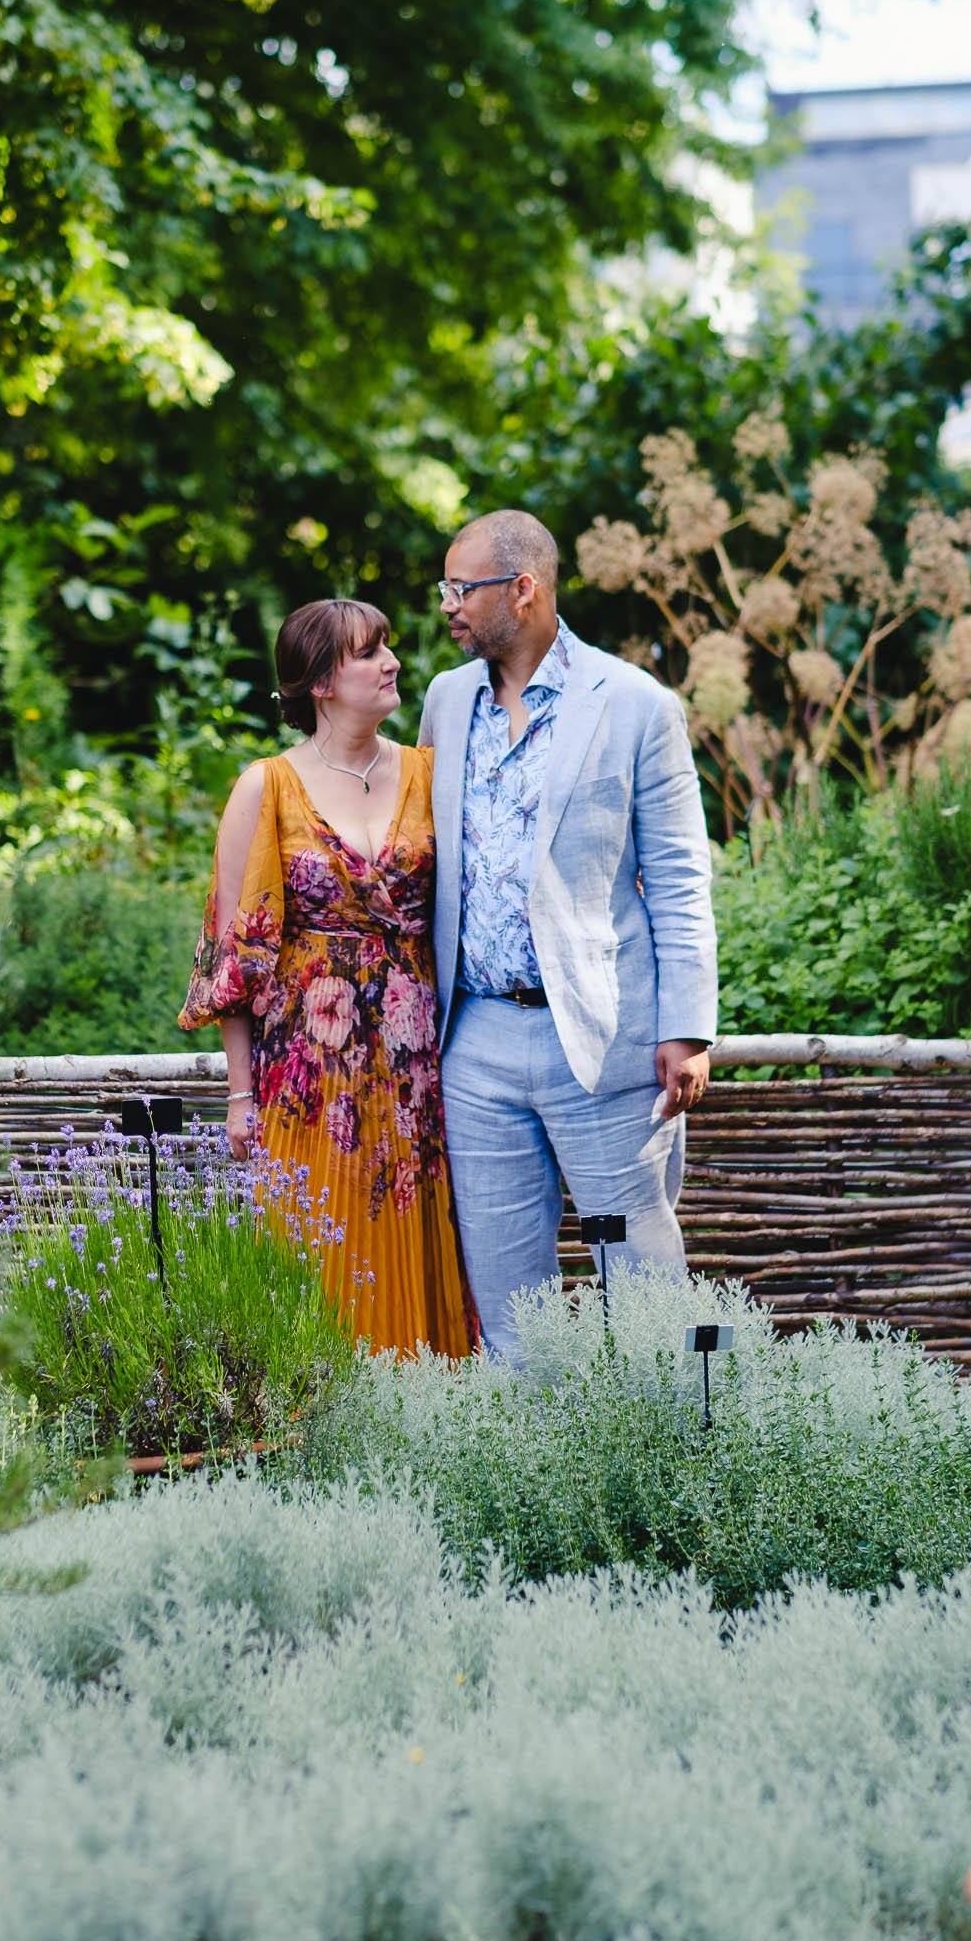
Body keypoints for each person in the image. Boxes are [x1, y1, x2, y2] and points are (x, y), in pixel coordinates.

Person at [418, 508, 718, 1355]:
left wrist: (686, 1028)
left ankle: (678, 1458)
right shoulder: (444, 701)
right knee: (509, 1306)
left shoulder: (633, 704)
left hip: (598, 1037)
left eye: (461, 588)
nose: (447, 606)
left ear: (523, 590)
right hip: (472, 1039)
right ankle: (532, 1473)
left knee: (643, 1285)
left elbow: (678, 874)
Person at [179, 597, 477, 1357]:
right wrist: (241, 1097)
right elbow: (234, 957)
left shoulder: (431, 774)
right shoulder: (266, 787)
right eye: (368, 652)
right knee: (317, 1262)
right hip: (306, 1078)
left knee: (418, 1251)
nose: (392, 663)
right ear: (318, 681)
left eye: (389, 647)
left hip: (417, 1073)